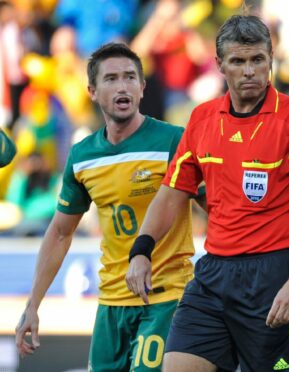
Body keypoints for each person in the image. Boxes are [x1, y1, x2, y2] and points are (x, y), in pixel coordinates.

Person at [126, 13, 289, 372]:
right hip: (213, 275)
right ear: (220, 65)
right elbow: (171, 193)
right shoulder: (202, 118)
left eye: (257, 60)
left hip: (273, 277)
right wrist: (141, 249)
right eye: (238, 61)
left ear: (271, 60)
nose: (249, 71)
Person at [15, 42, 198, 371]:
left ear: (142, 88)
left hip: (166, 297)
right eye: (111, 79)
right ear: (92, 91)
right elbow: (59, 233)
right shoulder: (83, 156)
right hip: (110, 303)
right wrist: (33, 304)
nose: (122, 85)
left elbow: (214, 205)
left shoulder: (174, 141)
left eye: (130, 77)